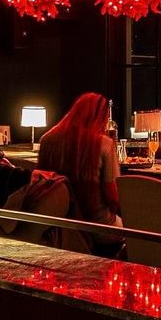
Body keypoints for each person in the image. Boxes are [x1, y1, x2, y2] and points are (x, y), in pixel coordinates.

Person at [38, 93, 122, 239]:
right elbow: (113, 199)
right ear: (99, 118)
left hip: (58, 226)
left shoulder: (47, 139)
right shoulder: (104, 144)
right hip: (98, 228)